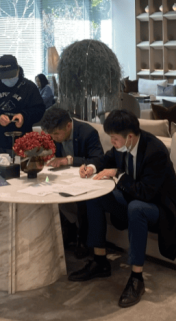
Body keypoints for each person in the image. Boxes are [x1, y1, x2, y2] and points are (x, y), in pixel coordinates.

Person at [69, 110, 176, 308]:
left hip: (161, 206)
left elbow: (146, 193)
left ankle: (137, 278)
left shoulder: (155, 151)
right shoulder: (122, 145)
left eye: (114, 138)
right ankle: (100, 261)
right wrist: (91, 168)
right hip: (133, 196)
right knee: (95, 195)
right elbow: (107, 158)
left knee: (137, 208)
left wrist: (118, 174)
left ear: (129, 137)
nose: (112, 142)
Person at [41, 106, 104, 256]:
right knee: (47, 192)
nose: (54, 138)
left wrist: (68, 160)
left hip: (85, 178)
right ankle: (66, 232)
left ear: (68, 126)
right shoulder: (54, 135)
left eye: (56, 134)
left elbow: (98, 159)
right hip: (64, 177)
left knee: (84, 199)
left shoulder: (87, 132)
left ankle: (83, 240)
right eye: (51, 135)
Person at [0, 55, 46, 159]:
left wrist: (24, 116)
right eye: (4, 77)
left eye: (10, 76)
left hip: (22, 140)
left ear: (18, 70)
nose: (8, 79)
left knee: (20, 168)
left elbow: (39, 109)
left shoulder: (29, 87)